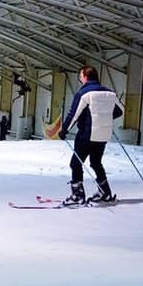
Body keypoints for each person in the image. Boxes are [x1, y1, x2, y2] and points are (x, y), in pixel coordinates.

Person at [58, 66, 123, 205]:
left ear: (85, 77)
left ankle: (77, 195)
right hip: (103, 135)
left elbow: (73, 114)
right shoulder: (110, 93)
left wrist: (64, 130)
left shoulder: (84, 93)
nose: (80, 78)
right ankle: (105, 192)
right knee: (96, 163)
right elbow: (119, 111)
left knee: (75, 163)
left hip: (86, 135)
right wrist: (103, 119)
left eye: (80, 75)